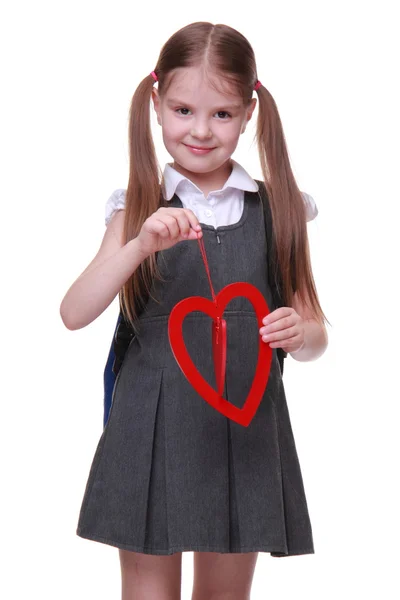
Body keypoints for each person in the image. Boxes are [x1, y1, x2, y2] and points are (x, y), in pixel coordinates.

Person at [60, 21, 329, 600]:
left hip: (246, 424)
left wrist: (297, 332)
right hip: (150, 423)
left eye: (222, 115)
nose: (201, 131)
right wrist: (138, 245)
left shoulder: (279, 209)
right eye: (183, 110)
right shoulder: (136, 208)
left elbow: (314, 335)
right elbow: (74, 312)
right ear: (156, 105)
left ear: (249, 112)